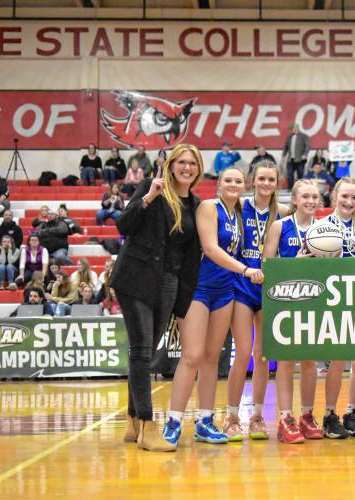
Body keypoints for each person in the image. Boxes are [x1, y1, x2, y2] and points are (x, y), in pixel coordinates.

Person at [110, 143, 204, 452]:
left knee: (146, 351)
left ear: (199, 167)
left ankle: (132, 418)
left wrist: (182, 303)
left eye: (192, 162)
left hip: (169, 283)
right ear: (171, 164)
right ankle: (148, 426)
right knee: (140, 350)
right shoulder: (153, 188)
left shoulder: (195, 204)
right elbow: (124, 225)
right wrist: (148, 198)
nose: (186, 167)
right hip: (136, 278)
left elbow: (192, 257)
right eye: (182, 162)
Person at [162, 167, 264, 448]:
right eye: (228, 180)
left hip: (225, 291)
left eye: (238, 181)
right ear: (219, 184)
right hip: (198, 288)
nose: (233, 184)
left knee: (211, 358)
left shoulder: (241, 215)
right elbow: (210, 248)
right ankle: (173, 420)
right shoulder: (209, 207)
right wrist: (245, 270)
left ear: (245, 186)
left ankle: (205, 421)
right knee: (192, 356)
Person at [230, 161, 288, 441]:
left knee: (262, 355)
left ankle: (256, 416)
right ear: (252, 180)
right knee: (242, 353)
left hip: (270, 288)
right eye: (261, 179)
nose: (266, 184)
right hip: (242, 285)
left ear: (277, 183)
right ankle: (231, 416)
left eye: (271, 179)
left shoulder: (283, 214)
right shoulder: (239, 207)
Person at [263, 180, 323, 444]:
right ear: (295, 200)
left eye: (315, 196)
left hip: (315, 300)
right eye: (305, 196)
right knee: (286, 361)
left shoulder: (326, 229)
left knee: (310, 361)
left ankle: (307, 415)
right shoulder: (280, 226)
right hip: (285, 300)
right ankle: (285, 417)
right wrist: (292, 265)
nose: (310, 200)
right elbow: (266, 262)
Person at [320, 178, 355, 439]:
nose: (349, 202)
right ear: (335, 196)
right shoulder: (321, 227)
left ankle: (351, 413)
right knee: (338, 359)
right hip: (336, 298)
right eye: (345, 196)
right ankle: (330, 414)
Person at [281, 123, 310, 189]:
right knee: (289, 174)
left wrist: (305, 154)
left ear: (297, 128)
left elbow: (307, 146)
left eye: (292, 129)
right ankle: (290, 188)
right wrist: (283, 155)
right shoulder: (289, 137)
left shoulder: (304, 136)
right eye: (291, 129)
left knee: (300, 174)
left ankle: (300, 188)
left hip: (300, 159)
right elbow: (286, 147)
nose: (291, 130)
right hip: (290, 159)